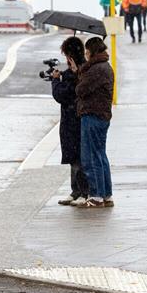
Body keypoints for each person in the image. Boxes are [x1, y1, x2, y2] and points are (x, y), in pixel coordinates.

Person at [49, 37, 89, 206]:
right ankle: (76, 191)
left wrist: (55, 81)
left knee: (77, 157)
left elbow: (62, 95)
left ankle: (83, 191)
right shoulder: (78, 70)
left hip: (75, 118)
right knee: (74, 156)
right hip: (72, 119)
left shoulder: (79, 72)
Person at [75, 37, 114, 208]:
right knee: (100, 155)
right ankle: (106, 194)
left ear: (92, 51)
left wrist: (80, 71)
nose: (85, 54)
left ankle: (96, 195)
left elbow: (81, 89)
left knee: (91, 156)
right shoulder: (104, 66)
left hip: (92, 115)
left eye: (87, 51)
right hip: (101, 115)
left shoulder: (97, 69)